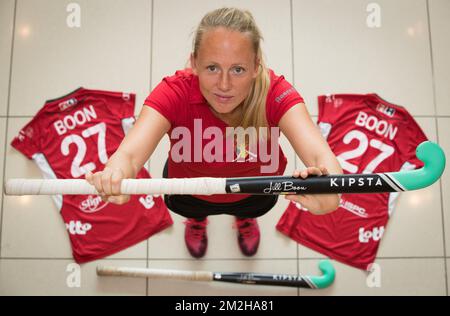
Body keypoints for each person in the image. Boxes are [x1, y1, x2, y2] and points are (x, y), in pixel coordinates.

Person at [86, 7, 342, 258]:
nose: (224, 84)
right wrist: (115, 175)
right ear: (194, 62)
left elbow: (321, 156)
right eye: (212, 68)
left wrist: (332, 192)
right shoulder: (175, 91)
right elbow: (129, 155)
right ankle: (198, 221)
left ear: (256, 66)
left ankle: (244, 219)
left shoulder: (275, 92)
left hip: (253, 192)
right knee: (194, 210)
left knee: (249, 209)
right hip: (190, 191)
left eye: (238, 69)